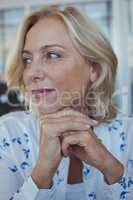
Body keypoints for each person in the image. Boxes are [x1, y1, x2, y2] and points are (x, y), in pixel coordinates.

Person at [0, 5, 133, 200]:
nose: (32, 73)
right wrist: (42, 172)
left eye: (52, 55)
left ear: (94, 69)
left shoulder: (129, 135)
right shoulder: (7, 134)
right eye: (27, 60)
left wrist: (110, 167)